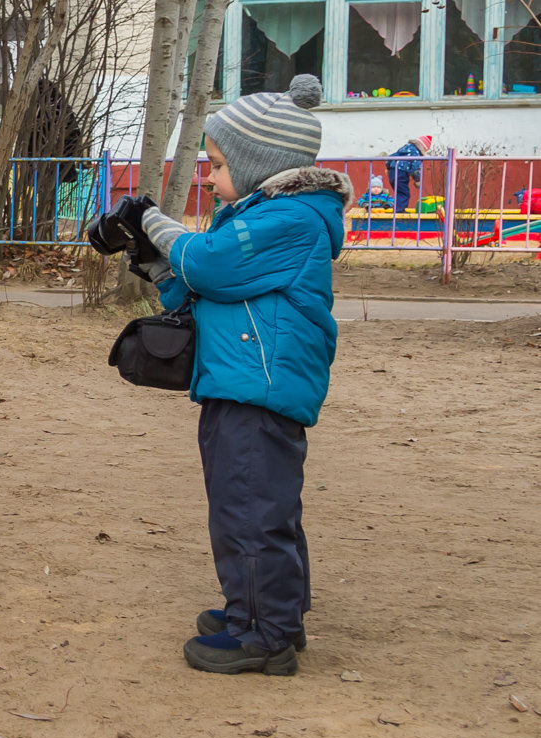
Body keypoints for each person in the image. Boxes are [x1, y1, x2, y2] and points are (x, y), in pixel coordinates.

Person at [129, 74, 352, 675]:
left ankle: (264, 635)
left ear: (260, 166)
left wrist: (153, 222)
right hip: (241, 384)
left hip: (258, 391)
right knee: (254, 504)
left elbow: (205, 263)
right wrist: (152, 266)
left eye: (220, 164)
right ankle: (268, 612)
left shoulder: (289, 220)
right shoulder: (261, 218)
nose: (210, 175)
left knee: (249, 510)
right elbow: (203, 288)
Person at [384, 135, 431, 212]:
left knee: (399, 191)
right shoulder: (416, 153)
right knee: (404, 193)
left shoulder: (404, 148)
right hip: (401, 174)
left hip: (393, 172)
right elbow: (415, 168)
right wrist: (417, 179)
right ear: (423, 148)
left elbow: (391, 156)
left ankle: (395, 207)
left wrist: (388, 167)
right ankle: (399, 211)